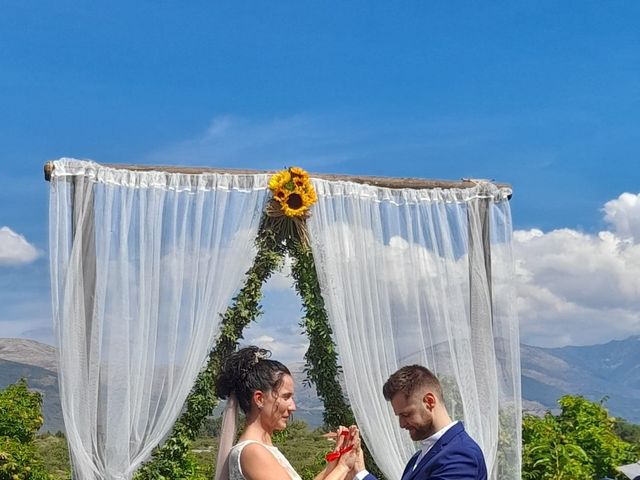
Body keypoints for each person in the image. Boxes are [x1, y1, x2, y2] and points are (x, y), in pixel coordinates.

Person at [214, 346, 357, 480]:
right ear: (259, 399)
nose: (293, 406)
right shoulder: (253, 452)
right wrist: (343, 467)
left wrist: (336, 460)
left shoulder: (262, 449)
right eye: (286, 397)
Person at [353, 364, 487, 480]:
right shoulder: (419, 457)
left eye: (406, 414)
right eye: (399, 416)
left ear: (429, 402)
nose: (401, 424)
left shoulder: (461, 456)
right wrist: (359, 471)